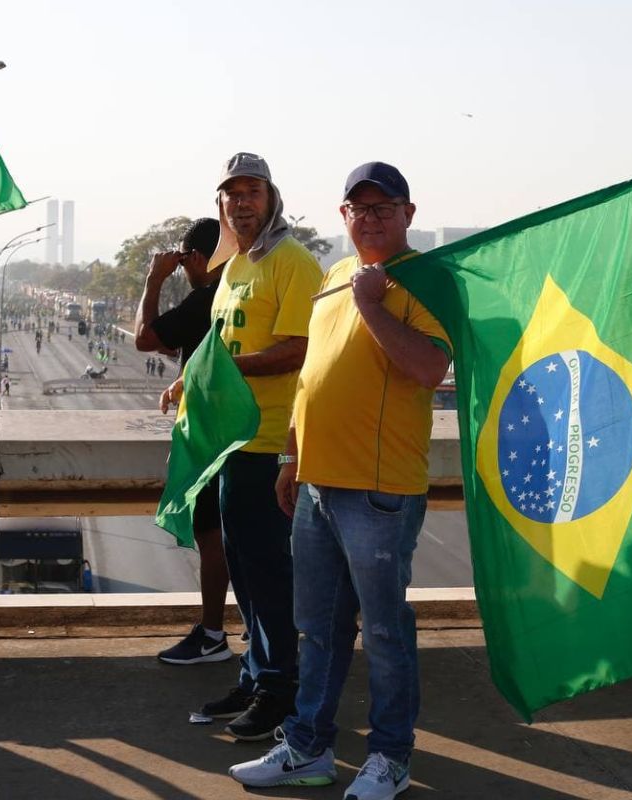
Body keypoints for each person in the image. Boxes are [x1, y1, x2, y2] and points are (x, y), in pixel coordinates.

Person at [230, 162, 451, 799]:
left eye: (384, 207)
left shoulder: (422, 280)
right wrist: (292, 457)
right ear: (342, 215)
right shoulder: (333, 275)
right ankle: (307, 747)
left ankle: (391, 756)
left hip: (379, 489)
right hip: (318, 483)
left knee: (384, 631)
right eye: (360, 207)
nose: (371, 217)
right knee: (317, 628)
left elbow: (429, 368)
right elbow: (311, 377)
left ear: (409, 214)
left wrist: (372, 306)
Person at [167, 153, 322, 740]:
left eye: (252, 191)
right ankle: (256, 674)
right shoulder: (232, 266)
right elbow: (217, 339)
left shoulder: (293, 262)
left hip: (271, 441)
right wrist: (192, 378)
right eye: (231, 194)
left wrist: (226, 371)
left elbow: (299, 347)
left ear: (271, 197)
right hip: (232, 441)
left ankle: (282, 688)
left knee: (269, 571)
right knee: (245, 569)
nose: (241, 202)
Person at [135, 218, 234, 665]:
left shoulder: (206, 299)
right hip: (240, 428)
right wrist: (180, 384)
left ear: (195, 258)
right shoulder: (235, 292)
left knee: (212, 537)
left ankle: (213, 634)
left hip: (211, 436)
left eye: (183, 259)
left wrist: (153, 280)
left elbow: (144, 337)